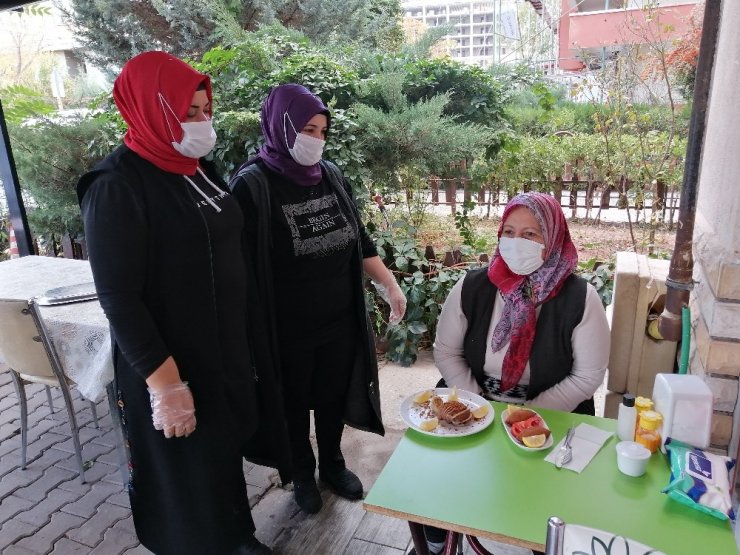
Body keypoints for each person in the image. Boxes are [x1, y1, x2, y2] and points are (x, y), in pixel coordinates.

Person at [77, 51, 279, 555]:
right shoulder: (116, 186)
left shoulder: (194, 167)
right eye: (189, 112)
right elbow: (119, 299)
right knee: (183, 474)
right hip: (171, 362)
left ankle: (235, 533)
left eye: (206, 109)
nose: (202, 121)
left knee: (220, 452)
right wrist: (167, 387)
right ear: (150, 107)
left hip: (223, 350)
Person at [228, 83, 406, 515]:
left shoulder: (330, 175)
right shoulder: (253, 186)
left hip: (339, 319)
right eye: (307, 128)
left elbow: (358, 239)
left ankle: (333, 463)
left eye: (323, 131)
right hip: (286, 329)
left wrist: (389, 284)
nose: (316, 140)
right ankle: (301, 473)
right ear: (281, 125)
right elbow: (241, 267)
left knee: (330, 398)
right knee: (292, 404)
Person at [413, 192, 610, 555]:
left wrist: (527, 416)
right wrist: (477, 406)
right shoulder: (474, 286)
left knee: (548, 498)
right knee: (435, 473)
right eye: (509, 230)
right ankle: (438, 535)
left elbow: (587, 376)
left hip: (553, 411)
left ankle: (540, 540)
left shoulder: (581, 299)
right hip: (473, 399)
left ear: (552, 238)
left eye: (532, 234)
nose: (517, 242)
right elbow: (446, 351)